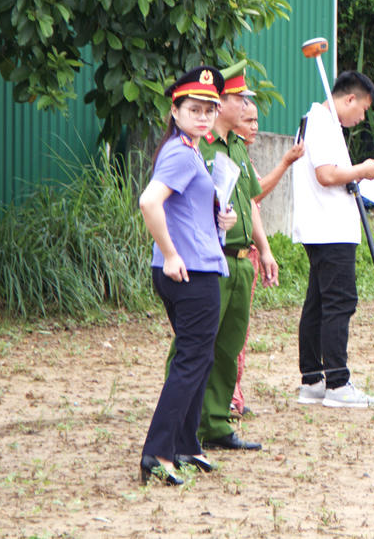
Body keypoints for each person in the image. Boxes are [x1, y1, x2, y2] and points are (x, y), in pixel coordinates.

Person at [137, 66, 237, 485]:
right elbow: (148, 202)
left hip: (193, 267)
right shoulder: (180, 152)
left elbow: (183, 210)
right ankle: (158, 453)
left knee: (198, 358)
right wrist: (171, 252)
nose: (203, 116)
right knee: (192, 360)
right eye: (193, 108)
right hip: (190, 273)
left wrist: (220, 221)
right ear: (174, 110)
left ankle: (185, 444)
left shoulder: (189, 149)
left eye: (209, 109)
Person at [175, 67, 277, 452]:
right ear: (223, 104)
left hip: (238, 260)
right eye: (241, 99)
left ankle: (214, 423)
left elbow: (250, 202)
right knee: (194, 345)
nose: (247, 106)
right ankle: (180, 426)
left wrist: (263, 250)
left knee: (227, 347)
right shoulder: (199, 146)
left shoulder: (236, 147)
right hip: (208, 259)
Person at [292, 71, 374, 408]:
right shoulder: (321, 122)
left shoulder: (318, 121)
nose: (361, 117)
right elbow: (327, 174)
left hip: (324, 226)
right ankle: (337, 383)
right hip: (330, 228)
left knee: (318, 303)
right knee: (339, 303)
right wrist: (362, 169)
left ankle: (313, 379)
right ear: (350, 99)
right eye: (362, 109)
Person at [227, 100, 303, 417]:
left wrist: (266, 250)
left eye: (257, 120)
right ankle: (225, 398)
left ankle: (233, 394)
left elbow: (251, 207)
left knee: (238, 333)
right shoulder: (221, 153)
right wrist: (285, 162)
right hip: (224, 256)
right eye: (248, 120)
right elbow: (256, 194)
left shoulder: (242, 155)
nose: (255, 126)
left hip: (248, 253)